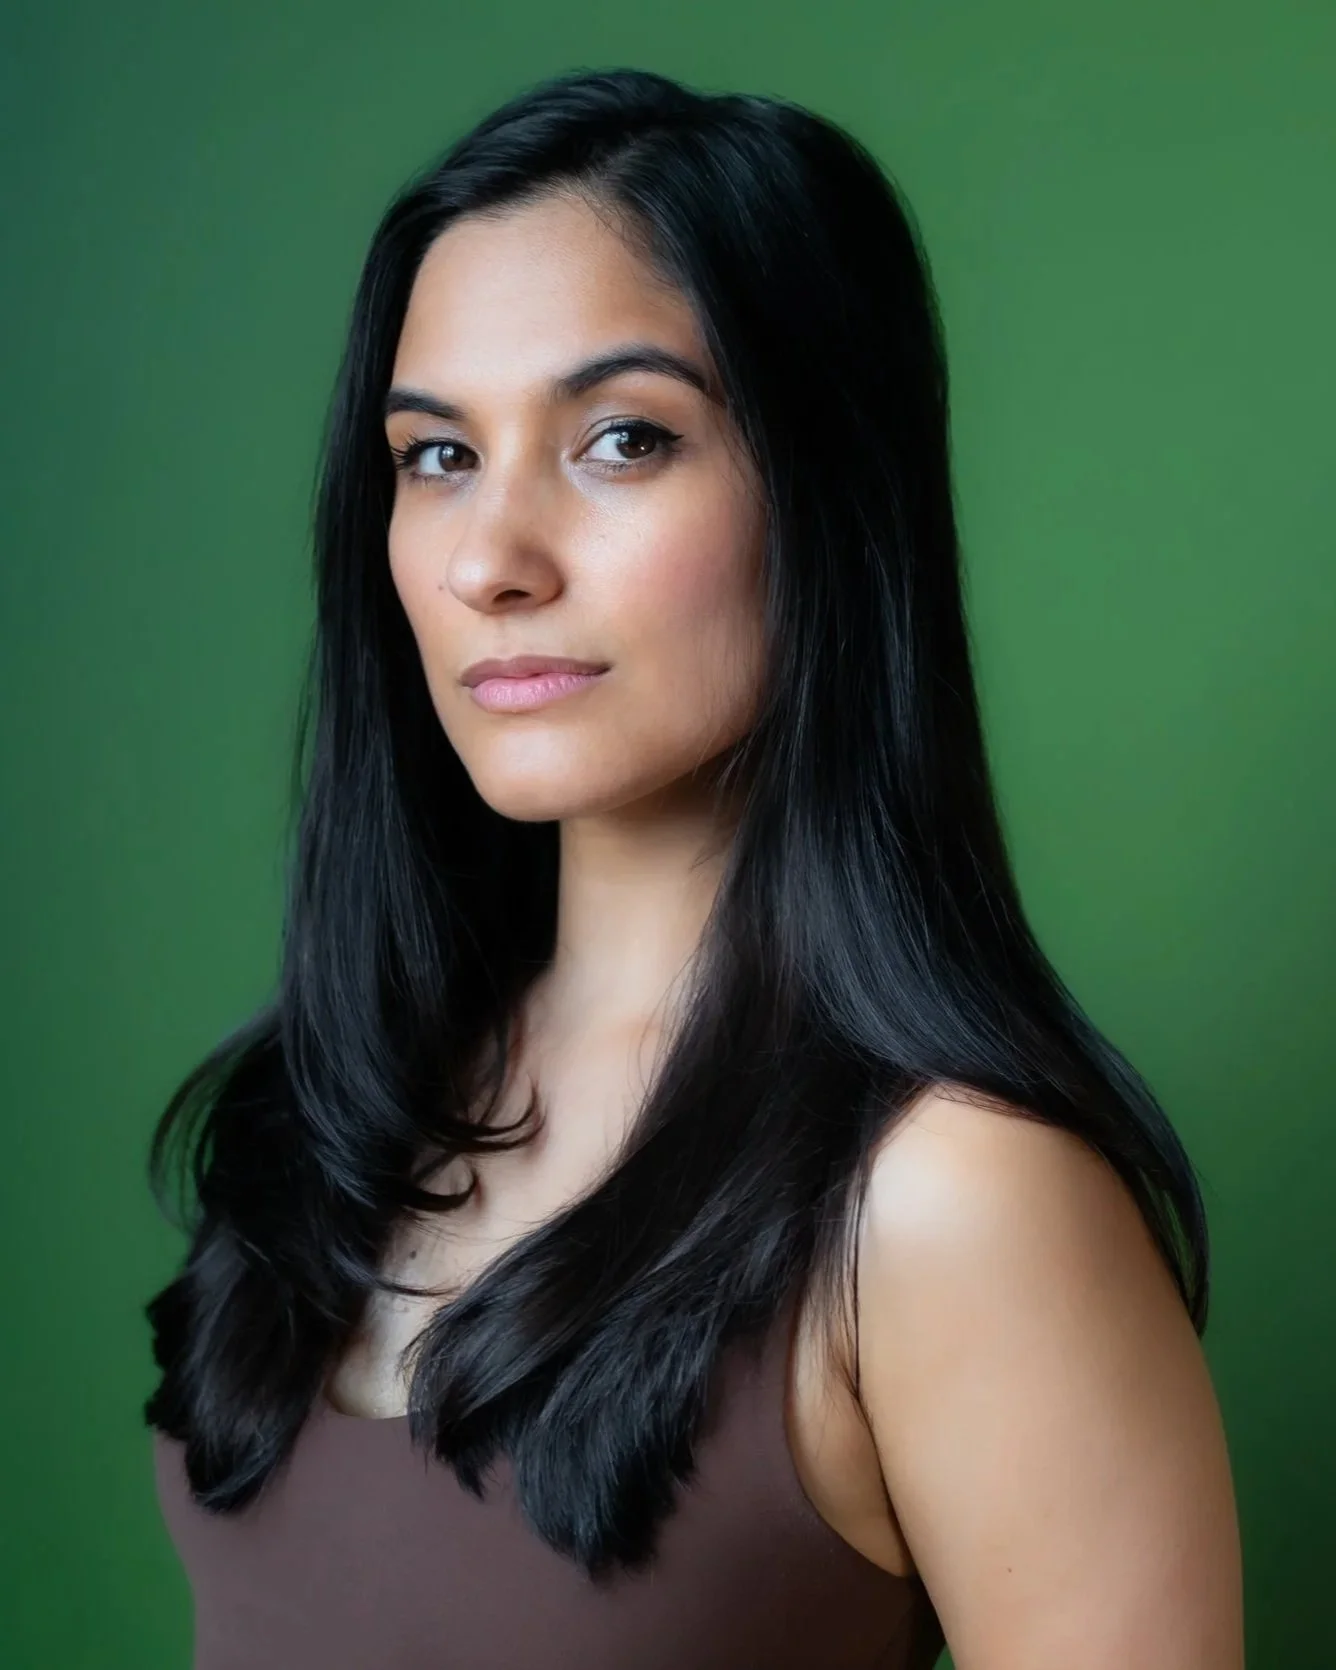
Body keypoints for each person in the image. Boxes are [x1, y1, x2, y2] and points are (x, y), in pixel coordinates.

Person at [144, 65, 1244, 1669]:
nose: (490, 561)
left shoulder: (949, 1201)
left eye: (620, 438)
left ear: (822, 492)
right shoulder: (347, 1098)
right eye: (436, 456)